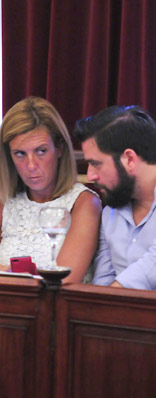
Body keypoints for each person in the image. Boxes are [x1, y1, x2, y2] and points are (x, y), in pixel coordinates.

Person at [0, 97, 101, 283]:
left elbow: (61, 283)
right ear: (9, 157)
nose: (31, 165)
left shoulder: (84, 204)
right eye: (20, 154)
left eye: (41, 151)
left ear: (59, 148)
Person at [74, 105, 156, 290]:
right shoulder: (110, 211)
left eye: (96, 164)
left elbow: (151, 267)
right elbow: (102, 283)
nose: (90, 176)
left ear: (129, 159)